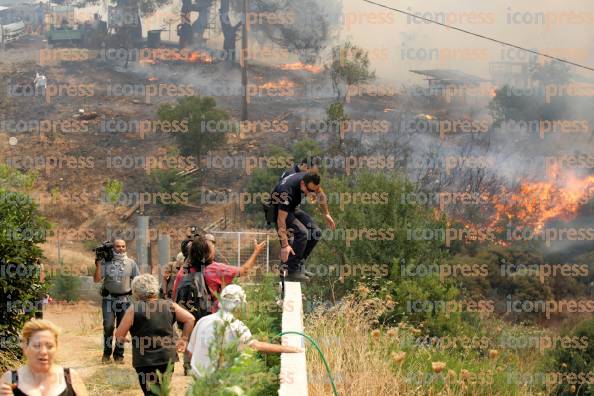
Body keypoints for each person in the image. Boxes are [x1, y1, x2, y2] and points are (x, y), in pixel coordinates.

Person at [186, 284, 302, 378]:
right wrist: (291, 349)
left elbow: (190, 353)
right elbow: (255, 346)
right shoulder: (235, 325)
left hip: (198, 385)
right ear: (237, 304)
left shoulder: (202, 321)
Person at [115, 274, 195, 396]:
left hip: (144, 361)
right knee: (162, 391)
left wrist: (123, 338)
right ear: (155, 289)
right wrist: (183, 340)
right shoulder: (169, 305)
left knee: (151, 393)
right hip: (167, 359)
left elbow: (119, 334)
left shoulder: (134, 309)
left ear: (135, 292)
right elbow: (190, 318)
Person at [271, 172, 335, 282]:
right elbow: (280, 220)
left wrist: (326, 213)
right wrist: (285, 246)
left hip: (292, 207)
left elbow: (321, 194)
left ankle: (299, 265)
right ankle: (292, 271)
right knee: (302, 233)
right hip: (278, 210)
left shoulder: (309, 179)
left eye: (314, 190)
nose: (312, 193)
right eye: (310, 191)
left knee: (316, 232)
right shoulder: (286, 192)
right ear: (302, 184)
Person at [0, 319, 88, 396]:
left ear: (56, 348)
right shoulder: (10, 379)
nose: (43, 352)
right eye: (37, 346)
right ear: (25, 347)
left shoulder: (71, 378)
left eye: (49, 346)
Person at [93, 239, 140, 364]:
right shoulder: (106, 262)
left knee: (122, 328)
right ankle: (106, 354)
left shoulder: (131, 263)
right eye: (118, 246)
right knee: (108, 326)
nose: (121, 248)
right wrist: (98, 264)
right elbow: (97, 280)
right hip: (109, 300)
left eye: (123, 246)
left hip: (125, 301)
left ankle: (119, 355)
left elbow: (137, 281)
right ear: (113, 248)